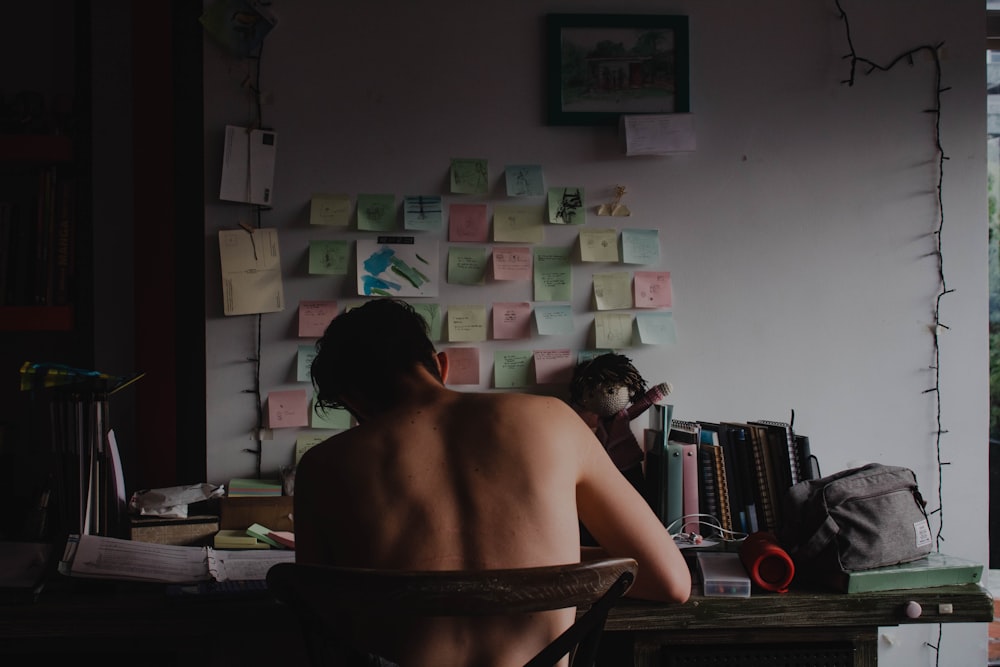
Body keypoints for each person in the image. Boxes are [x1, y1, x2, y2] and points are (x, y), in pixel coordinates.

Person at [296, 298, 690, 667]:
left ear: (353, 403)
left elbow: (322, 612)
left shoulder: (322, 466)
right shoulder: (555, 421)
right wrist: (546, 557)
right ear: (441, 364)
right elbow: (670, 581)